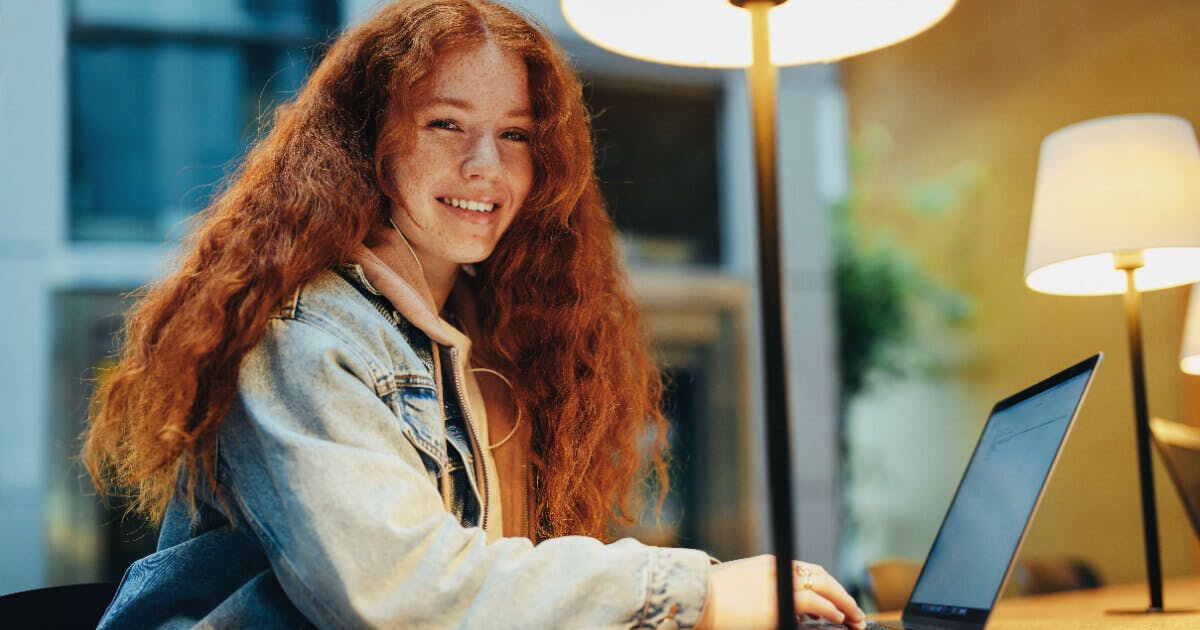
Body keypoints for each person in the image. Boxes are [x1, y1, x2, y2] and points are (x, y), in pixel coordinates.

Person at [81, 0, 865, 628]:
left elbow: (500, 591)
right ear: (369, 143)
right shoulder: (300, 335)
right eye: (446, 124)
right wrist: (689, 595)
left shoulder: (484, 332)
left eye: (515, 135)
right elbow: (401, 596)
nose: (485, 166)